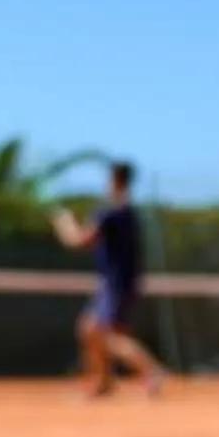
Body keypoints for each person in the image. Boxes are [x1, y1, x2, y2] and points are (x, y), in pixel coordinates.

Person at [50, 161, 167, 398]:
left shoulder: (110, 213)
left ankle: (151, 371)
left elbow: (79, 241)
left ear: (115, 181)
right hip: (123, 281)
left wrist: (63, 222)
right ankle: (103, 382)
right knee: (89, 329)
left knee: (106, 334)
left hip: (115, 283)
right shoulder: (129, 213)